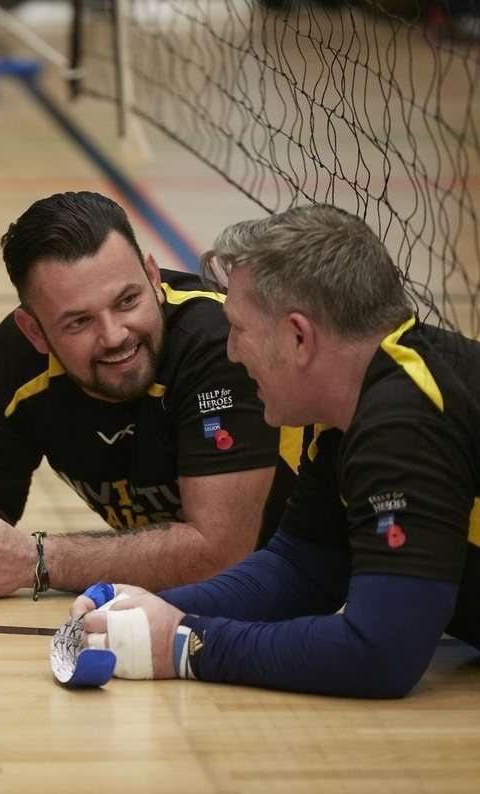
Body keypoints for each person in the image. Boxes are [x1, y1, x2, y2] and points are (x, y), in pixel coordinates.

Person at [70, 204, 480, 698]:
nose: (231, 351)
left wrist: (185, 646)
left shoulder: (405, 421)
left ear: (299, 337)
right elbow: (301, 569)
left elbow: (381, 655)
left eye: (239, 329)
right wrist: (152, 605)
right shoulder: (351, 405)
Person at [0, 191, 295, 600]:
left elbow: (220, 554)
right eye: (79, 321)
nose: (115, 336)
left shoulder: (220, 343)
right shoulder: (17, 356)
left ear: (153, 277)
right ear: (35, 331)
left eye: (127, 301)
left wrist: (36, 559)